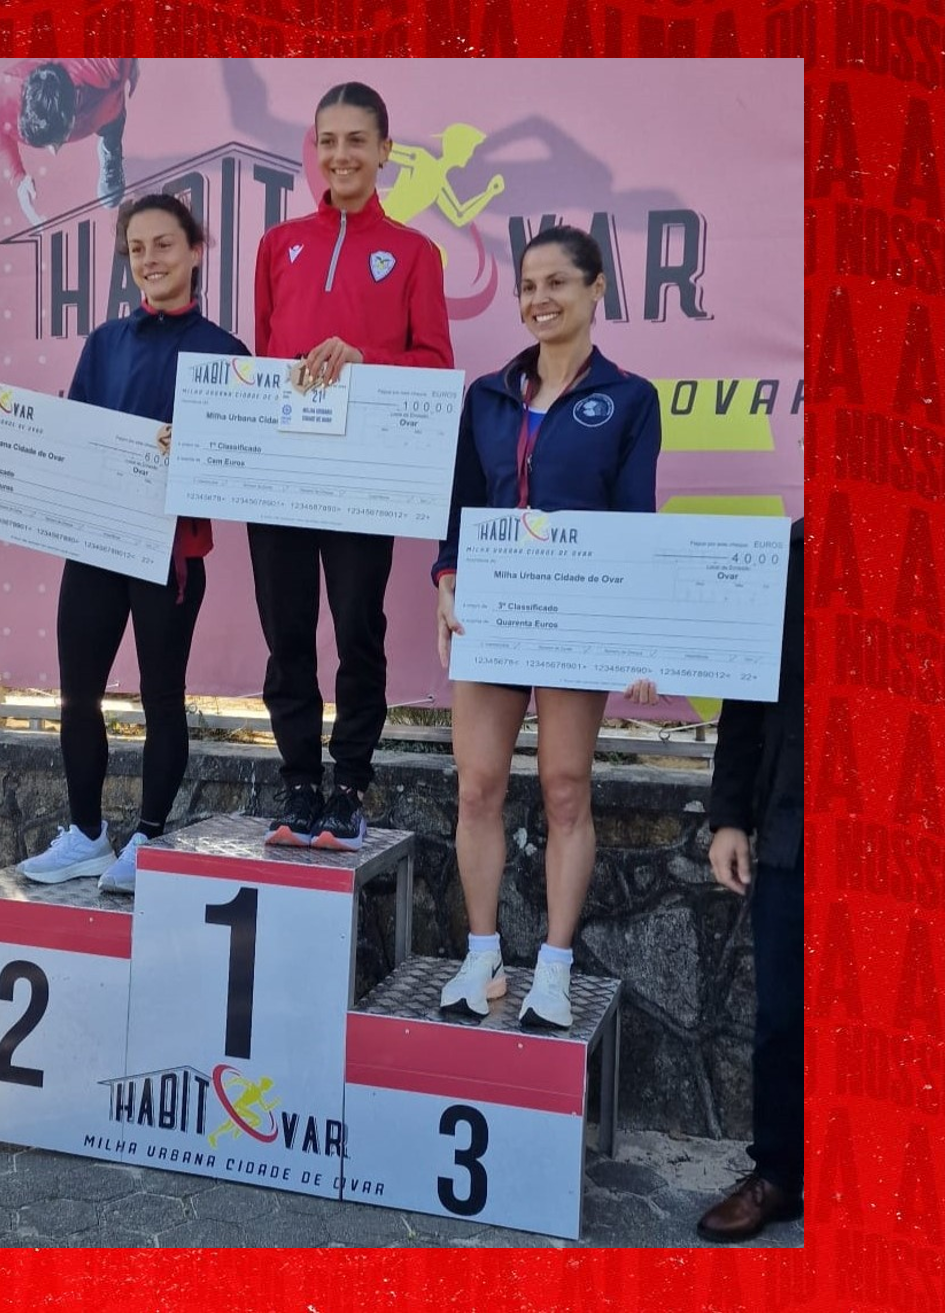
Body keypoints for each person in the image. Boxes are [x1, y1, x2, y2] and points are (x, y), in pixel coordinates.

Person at [434, 225, 661, 1029]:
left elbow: (635, 521)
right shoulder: (489, 396)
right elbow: (461, 507)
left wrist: (636, 635)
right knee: (477, 785)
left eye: (558, 283)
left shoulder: (630, 399)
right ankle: (483, 954)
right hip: (495, 612)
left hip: (576, 613)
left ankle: (555, 967)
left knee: (565, 787)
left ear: (597, 289)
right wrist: (446, 583)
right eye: (529, 286)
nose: (540, 299)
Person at [17, 194, 249, 892]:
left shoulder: (227, 355)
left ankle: (147, 836)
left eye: (164, 245)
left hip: (167, 556)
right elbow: (73, 438)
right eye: (137, 249)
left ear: (196, 251)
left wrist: (195, 453)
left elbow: (237, 473)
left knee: (161, 698)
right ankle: (87, 833)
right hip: (94, 545)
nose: (150, 260)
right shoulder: (105, 342)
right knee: (78, 696)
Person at [250, 81, 454, 852]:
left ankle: (350, 785)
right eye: (328, 140)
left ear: (384, 151)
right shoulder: (278, 245)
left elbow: (435, 366)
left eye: (357, 141)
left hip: (365, 480)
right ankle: (299, 782)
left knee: (358, 630)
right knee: (286, 633)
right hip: (280, 476)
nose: (341, 155)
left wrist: (365, 360)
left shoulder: (415, 253)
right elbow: (266, 358)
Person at [696, 517, 804, 1242]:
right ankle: (779, 1175)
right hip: (796, 827)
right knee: (783, 1018)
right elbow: (745, 692)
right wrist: (729, 816)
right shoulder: (785, 557)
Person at [0, 58, 140, 223]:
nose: (53, 152)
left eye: (56, 141)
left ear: (71, 117)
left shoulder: (103, 66)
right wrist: (18, 177)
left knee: (112, 124)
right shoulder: (4, 95)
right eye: (47, 144)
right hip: (91, 102)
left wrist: (131, 67)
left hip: (106, 107)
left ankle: (110, 149)